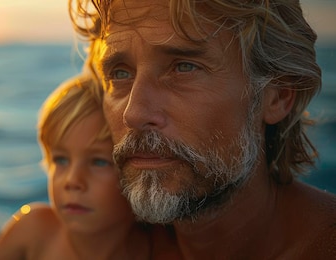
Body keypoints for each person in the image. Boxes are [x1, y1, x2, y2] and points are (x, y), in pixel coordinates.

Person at [68, 0, 336, 258]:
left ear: (277, 96)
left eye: (184, 67)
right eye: (120, 73)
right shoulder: (85, 245)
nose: (134, 113)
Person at [0, 73, 152, 259]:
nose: (72, 180)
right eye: (61, 160)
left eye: (98, 162)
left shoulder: (161, 249)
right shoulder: (36, 232)